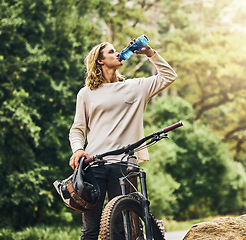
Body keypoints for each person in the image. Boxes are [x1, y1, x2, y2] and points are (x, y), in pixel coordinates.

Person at [69, 39, 178, 240]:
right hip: (94, 166)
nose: (118, 53)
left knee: (121, 229)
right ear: (100, 61)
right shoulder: (86, 93)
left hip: (125, 166)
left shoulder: (136, 87)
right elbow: (77, 129)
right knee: (91, 230)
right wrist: (77, 149)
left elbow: (169, 76)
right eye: (111, 52)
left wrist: (150, 53)